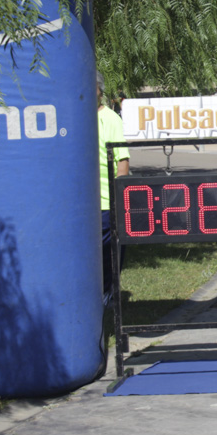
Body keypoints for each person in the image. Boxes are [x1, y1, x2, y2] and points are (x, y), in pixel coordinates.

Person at [98, 76, 130, 305]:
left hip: (106, 202)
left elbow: (123, 160)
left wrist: (119, 197)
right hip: (81, 203)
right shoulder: (73, 116)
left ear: (99, 90)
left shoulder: (110, 119)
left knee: (109, 253)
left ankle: (109, 294)